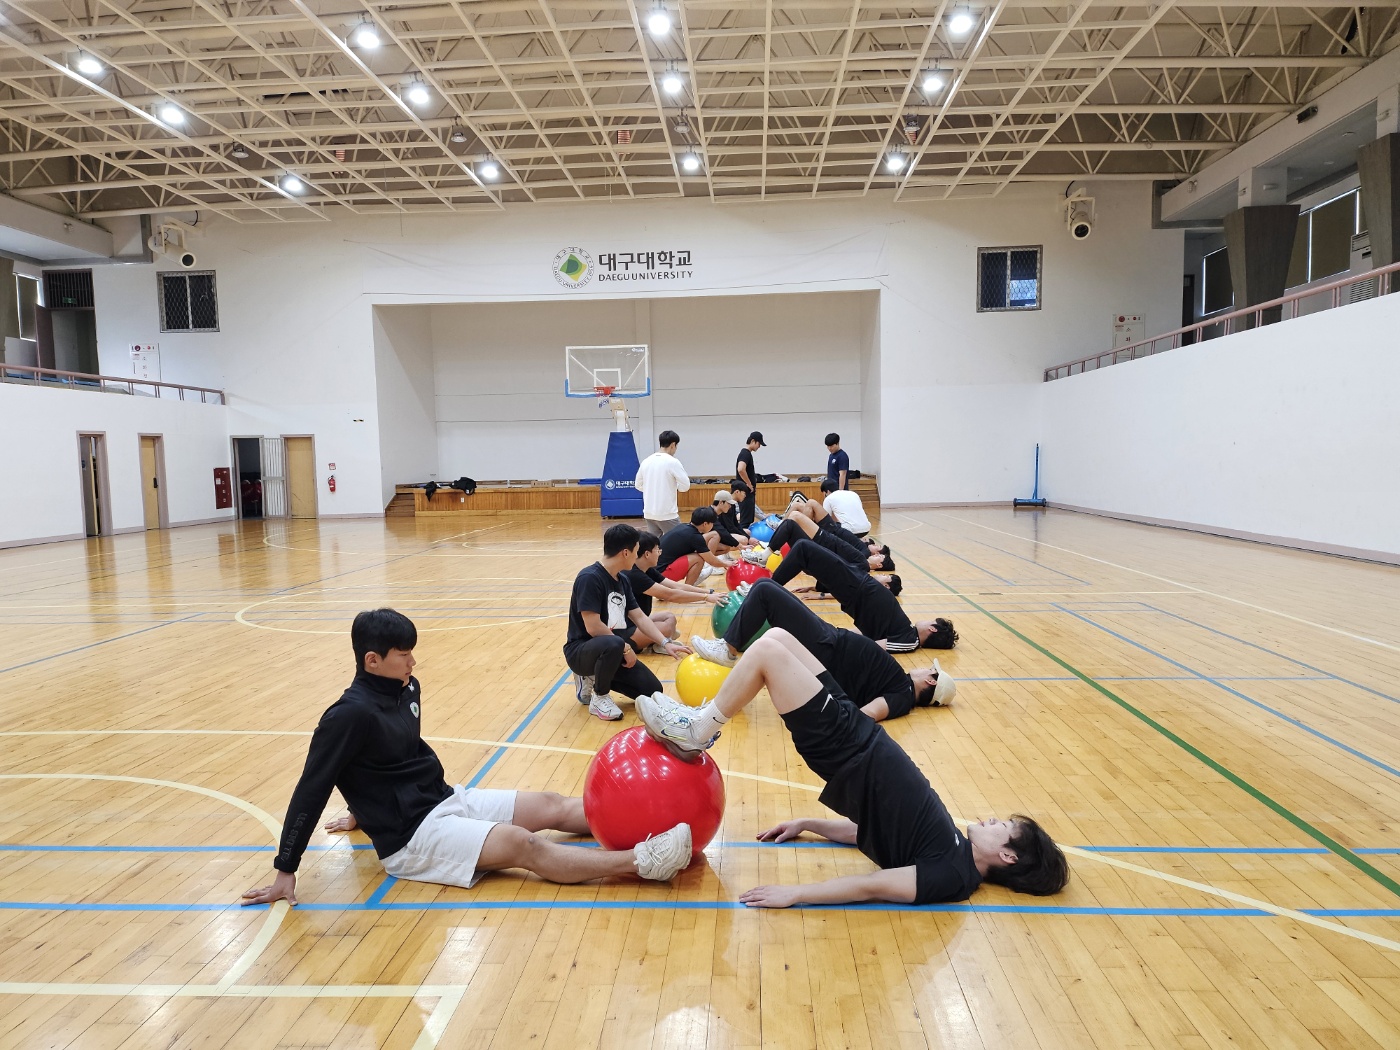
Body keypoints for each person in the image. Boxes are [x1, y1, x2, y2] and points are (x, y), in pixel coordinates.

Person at [240, 608, 694, 909]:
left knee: (551, 804)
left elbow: (383, 758)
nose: (413, 662)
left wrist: (360, 810)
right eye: (404, 655)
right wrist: (285, 869)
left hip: (443, 799)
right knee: (523, 845)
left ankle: (657, 824)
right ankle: (641, 861)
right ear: (372, 660)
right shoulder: (346, 715)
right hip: (411, 839)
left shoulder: (406, 688)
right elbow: (312, 789)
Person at [634, 630, 1068, 906]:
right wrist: (809, 824)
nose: (991, 819)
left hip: (847, 750)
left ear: (1008, 855)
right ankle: (700, 721)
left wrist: (796, 894)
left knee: (766, 652)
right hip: (858, 736)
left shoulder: (951, 877)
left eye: (1002, 826)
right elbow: (873, 830)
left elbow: (872, 885)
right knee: (781, 636)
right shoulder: (955, 850)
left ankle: (697, 730)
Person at [689, 577, 955, 720]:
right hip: (830, 641)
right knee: (764, 588)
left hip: (826, 651)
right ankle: (746, 616)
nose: (924, 668)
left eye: (929, 670)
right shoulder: (900, 685)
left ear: (930, 680)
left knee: (765, 592)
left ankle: (728, 650)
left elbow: (868, 715)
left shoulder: (902, 697)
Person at [565, 523, 690, 720]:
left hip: (611, 651)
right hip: (581, 651)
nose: (636, 556)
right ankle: (600, 697)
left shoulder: (622, 580)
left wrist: (665, 642)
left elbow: (639, 616)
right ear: (625, 552)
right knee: (614, 642)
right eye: (636, 551)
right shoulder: (589, 578)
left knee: (652, 690)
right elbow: (593, 627)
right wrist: (625, 648)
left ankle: (596, 675)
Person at [774, 538, 958, 651]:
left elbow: (873, 646)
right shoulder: (906, 630)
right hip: (857, 583)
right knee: (807, 557)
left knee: (804, 548)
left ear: (932, 629)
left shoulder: (909, 641)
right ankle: (768, 589)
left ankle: (767, 588)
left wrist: (836, 639)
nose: (926, 620)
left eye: (931, 621)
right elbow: (869, 634)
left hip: (856, 587)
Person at [623, 531, 727, 651]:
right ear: (647, 554)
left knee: (669, 617)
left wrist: (709, 592)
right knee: (667, 628)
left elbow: (676, 586)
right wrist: (705, 598)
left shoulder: (646, 569)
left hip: (637, 623)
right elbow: (671, 595)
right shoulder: (634, 575)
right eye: (657, 550)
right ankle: (661, 640)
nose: (660, 553)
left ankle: (659, 642)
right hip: (626, 633)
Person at [634, 429, 690, 538]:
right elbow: (685, 486)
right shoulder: (673, 462)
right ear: (673, 445)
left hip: (649, 512)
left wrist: (652, 489)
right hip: (667, 514)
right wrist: (673, 487)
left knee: (654, 544)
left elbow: (638, 485)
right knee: (679, 541)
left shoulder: (646, 461)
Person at [657, 507, 733, 586]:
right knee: (699, 558)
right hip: (662, 576)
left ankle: (696, 575)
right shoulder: (695, 537)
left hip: (655, 573)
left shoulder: (683, 526)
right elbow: (711, 561)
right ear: (705, 524)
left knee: (700, 552)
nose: (712, 526)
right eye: (712, 523)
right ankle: (687, 589)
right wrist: (726, 564)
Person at [734, 432, 764, 528]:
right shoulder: (745, 454)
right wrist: (749, 484)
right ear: (753, 441)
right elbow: (741, 469)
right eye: (759, 444)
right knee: (745, 521)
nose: (759, 447)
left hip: (747, 493)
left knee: (748, 520)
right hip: (746, 493)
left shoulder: (746, 454)